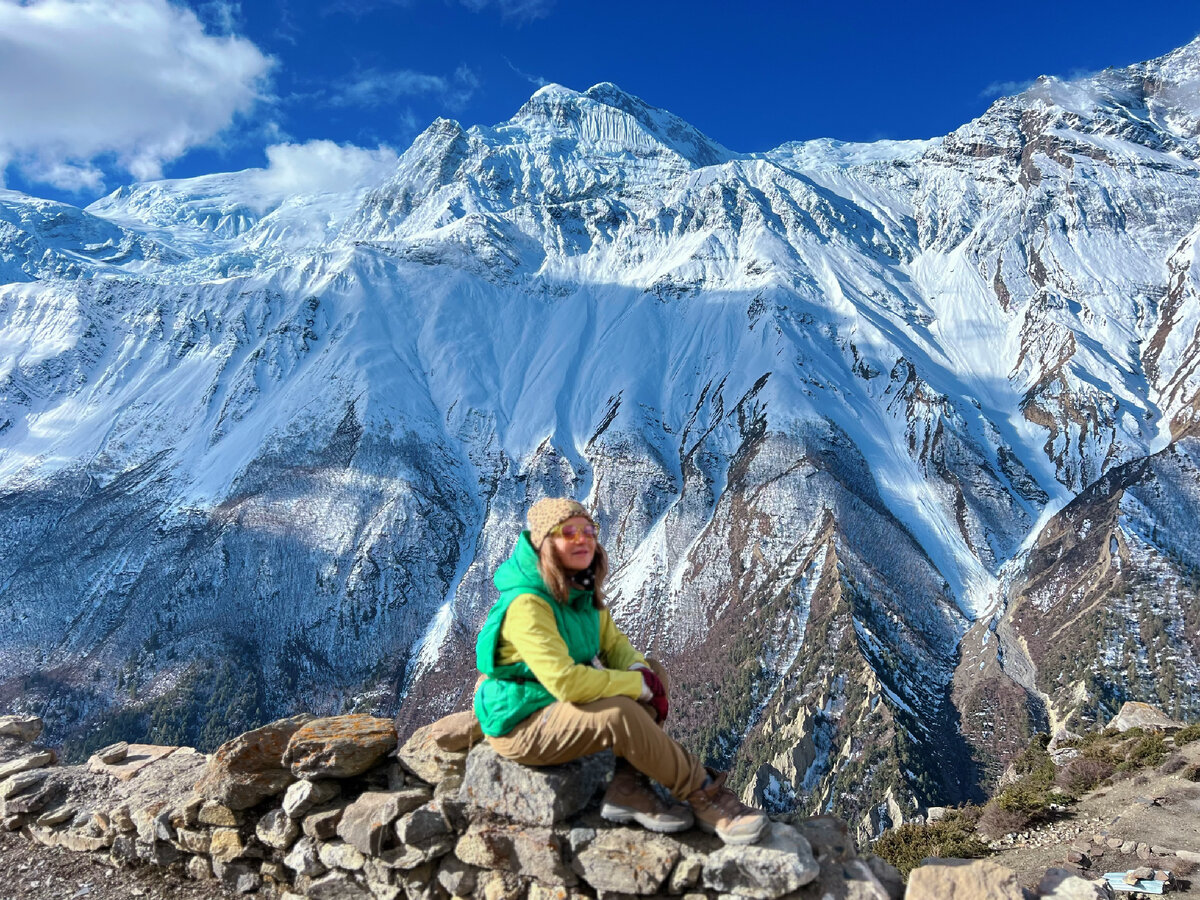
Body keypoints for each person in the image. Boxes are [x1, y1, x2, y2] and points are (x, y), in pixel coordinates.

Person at [473, 497, 769, 845]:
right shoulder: (528, 605)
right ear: (545, 544)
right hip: (522, 721)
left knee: (654, 673)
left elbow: (614, 645)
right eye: (568, 533)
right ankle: (704, 794)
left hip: (552, 703)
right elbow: (566, 682)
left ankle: (626, 788)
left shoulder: (577, 590)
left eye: (588, 530)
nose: (583, 539)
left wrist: (640, 672)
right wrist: (636, 685)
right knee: (621, 712)